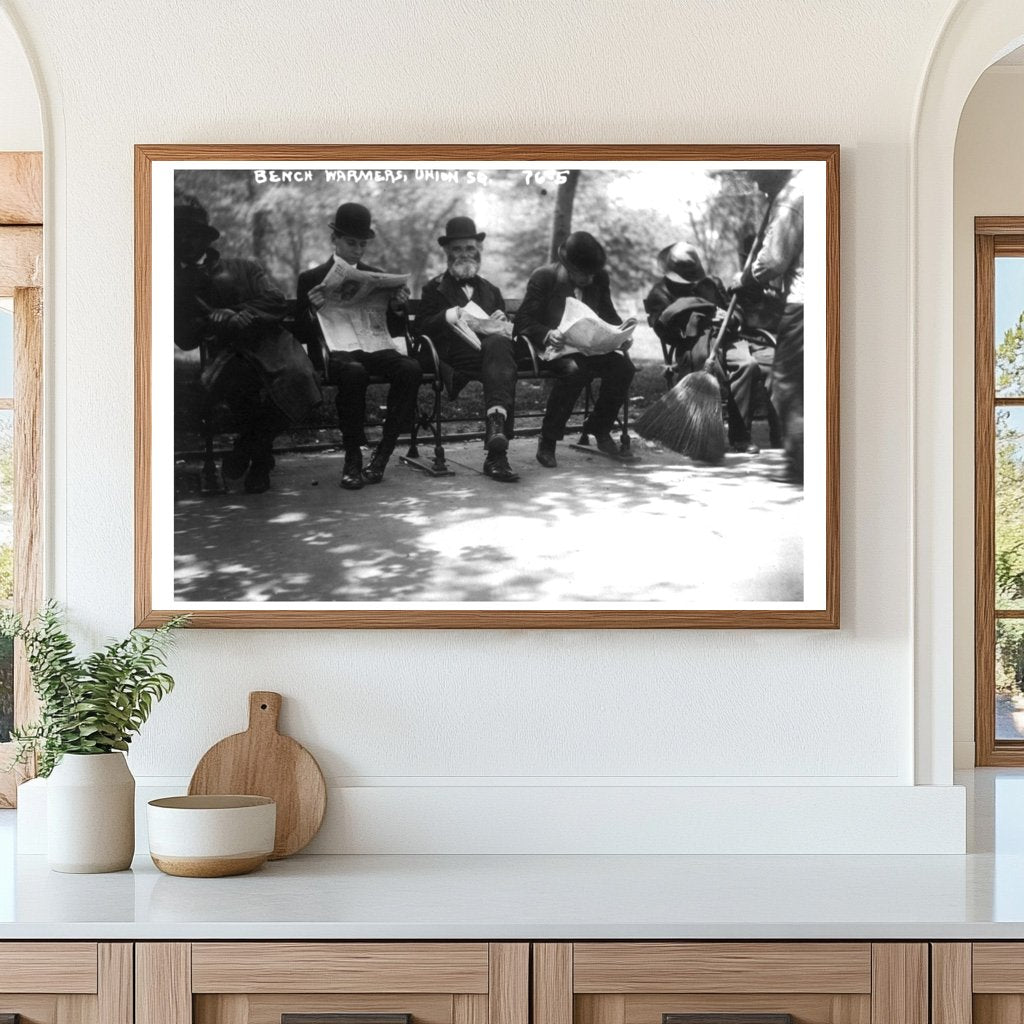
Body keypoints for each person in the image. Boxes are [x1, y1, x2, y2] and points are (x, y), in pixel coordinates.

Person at [174, 197, 321, 494]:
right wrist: (215, 322)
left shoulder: (242, 267)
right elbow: (184, 337)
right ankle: (260, 463)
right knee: (242, 386)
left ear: (206, 238)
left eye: (192, 233)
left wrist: (241, 313)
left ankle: (247, 445)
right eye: (178, 233)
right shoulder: (173, 281)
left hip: (272, 342)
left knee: (302, 379)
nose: (185, 240)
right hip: (229, 352)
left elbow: (276, 300)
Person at [295, 202, 421, 489]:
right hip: (337, 351)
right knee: (353, 373)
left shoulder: (375, 275)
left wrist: (399, 308)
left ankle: (382, 454)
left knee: (410, 368)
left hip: (373, 346)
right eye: (351, 243)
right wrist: (311, 310)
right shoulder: (312, 278)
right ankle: (352, 455)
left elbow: (395, 328)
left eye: (362, 244)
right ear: (335, 240)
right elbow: (301, 332)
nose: (358, 250)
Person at [514, 231, 635, 468]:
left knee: (624, 368)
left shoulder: (599, 278)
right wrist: (548, 334)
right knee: (574, 371)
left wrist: (621, 334)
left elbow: (607, 314)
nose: (589, 279)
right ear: (568, 265)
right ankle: (548, 440)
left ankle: (599, 428)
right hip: (555, 348)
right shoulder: (545, 277)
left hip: (590, 348)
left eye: (592, 273)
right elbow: (523, 320)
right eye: (583, 274)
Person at [417, 217, 519, 483]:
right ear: (448, 253)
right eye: (458, 249)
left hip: (491, 358)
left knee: (498, 347)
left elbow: (504, 331)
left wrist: (501, 321)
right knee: (502, 362)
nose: (465, 254)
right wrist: (450, 315)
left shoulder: (491, 290)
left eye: (470, 249)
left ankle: (497, 440)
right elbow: (421, 329)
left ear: (479, 252)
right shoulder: (434, 288)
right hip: (453, 356)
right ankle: (497, 453)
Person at [644, 242, 765, 453]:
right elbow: (663, 329)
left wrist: (728, 318)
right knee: (703, 366)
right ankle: (701, 434)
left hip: (725, 340)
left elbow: (736, 313)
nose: (690, 282)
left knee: (748, 364)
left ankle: (740, 436)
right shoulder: (660, 292)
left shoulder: (712, 283)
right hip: (691, 345)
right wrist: (700, 319)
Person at [733, 170, 804, 483]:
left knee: (788, 384)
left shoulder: (791, 198)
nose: (760, 189)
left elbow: (774, 260)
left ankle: (800, 462)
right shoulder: (812, 184)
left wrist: (746, 279)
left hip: (805, 304)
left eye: (760, 179)